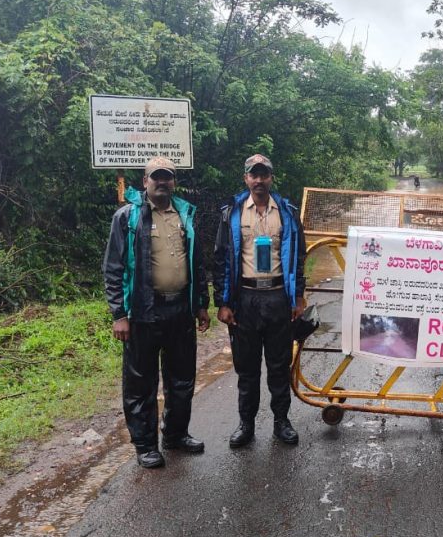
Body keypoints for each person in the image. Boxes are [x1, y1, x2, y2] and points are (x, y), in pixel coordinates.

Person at [103, 157, 210, 469]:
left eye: (168, 177)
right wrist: (118, 314)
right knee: (141, 382)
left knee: (182, 379)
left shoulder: (185, 214)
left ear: (173, 182)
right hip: (143, 312)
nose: (162, 182)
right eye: (156, 177)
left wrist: (201, 303)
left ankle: (175, 435)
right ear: (145, 180)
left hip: (180, 309)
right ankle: (146, 444)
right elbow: (114, 268)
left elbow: (196, 261)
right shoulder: (127, 217)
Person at [212, 154, 307, 447]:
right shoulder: (233, 212)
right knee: (247, 368)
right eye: (254, 175)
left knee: (279, 365)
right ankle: (246, 424)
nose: (259, 180)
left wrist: (299, 296)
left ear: (271, 177)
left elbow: (299, 258)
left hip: (278, 297)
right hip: (246, 300)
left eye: (264, 174)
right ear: (246, 179)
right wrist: (223, 302)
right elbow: (221, 258)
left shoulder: (288, 212)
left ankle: (281, 422)